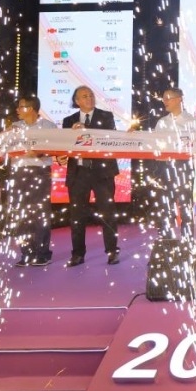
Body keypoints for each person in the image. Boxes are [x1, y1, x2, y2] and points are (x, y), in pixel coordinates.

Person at [61, 85, 120, 266]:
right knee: (77, 215)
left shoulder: (106, 116)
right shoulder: (68, 120)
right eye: (85, 96)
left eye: (91, 95)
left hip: (102, 172)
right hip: (78, 173)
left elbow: (109, 138)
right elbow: (64, 145)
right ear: (77, 101)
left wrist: (86, 130)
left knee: (108, 213)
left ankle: (112, 251)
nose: (89, 98)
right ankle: (78, 254)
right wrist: (72, 134)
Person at [8, 95, 57, 266]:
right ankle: (26, 253)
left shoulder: (48, 126)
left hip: (40, 171)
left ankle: (42, 253)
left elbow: (56, 148)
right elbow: (1, 146)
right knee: (21, 213)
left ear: (31, 109)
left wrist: (40, 153)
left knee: (40, 213)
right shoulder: (15, 127)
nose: (17, 110)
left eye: (21, 106)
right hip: (18, 172)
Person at [151, 87, 196, 238]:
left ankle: (187, 241)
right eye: (164, 99)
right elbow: (154, 146)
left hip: (185, 167)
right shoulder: (161, 123)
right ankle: (165, 242)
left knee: (186, 207)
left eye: (168, 98)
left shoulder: (192, 121)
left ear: (179, 99)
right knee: (165, 208)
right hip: (165, 168)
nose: (165, 102)